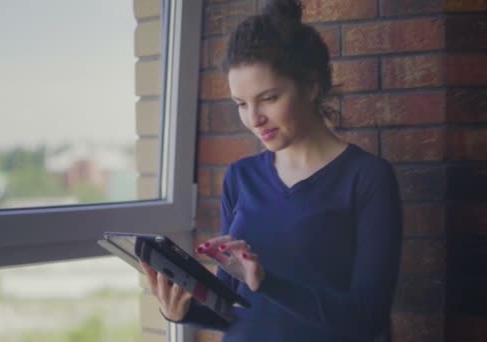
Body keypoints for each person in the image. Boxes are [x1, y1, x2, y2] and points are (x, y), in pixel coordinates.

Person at [140, 0, 402, 341]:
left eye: (268, 98)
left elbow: (368, 318)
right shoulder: (240, 177)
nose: (253, 118)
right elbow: (230, 305)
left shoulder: (367, 179)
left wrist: (266, 282)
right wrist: (180, 310)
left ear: (310, 86)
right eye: (241, 104)